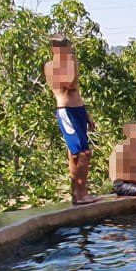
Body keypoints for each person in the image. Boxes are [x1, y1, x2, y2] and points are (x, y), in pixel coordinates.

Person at [43, 35, 102, 205]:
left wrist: (87, 115)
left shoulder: (68, 64)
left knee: (75, 154)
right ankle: (81, 194)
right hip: (66, 111)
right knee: (82, 153)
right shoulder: (51, 66)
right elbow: (70, 83)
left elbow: (76, 91)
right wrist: (73, 63)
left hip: (78, 110)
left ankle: (78, 194)